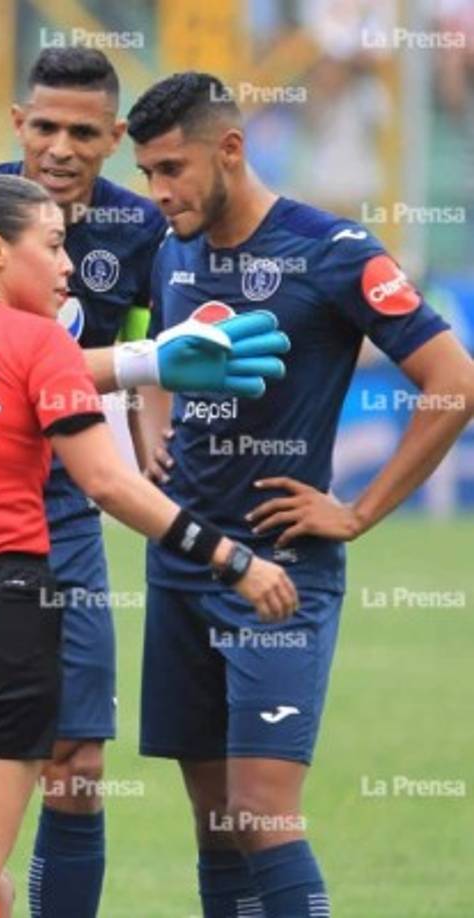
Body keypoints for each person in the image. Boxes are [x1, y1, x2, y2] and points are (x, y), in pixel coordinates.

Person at [0, 174, 300, 918]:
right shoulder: (40, 345)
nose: (69, 267)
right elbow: (106, 483)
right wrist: (229, 556)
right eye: (55, 244)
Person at [0, 48, 272, 917]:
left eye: (84, 133)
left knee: (78, 768)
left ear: (113, 140)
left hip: (62, 504)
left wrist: (147, 409)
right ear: (18, 120)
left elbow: (143, 322)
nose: (61, 147)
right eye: (45, 126)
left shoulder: (142, 229)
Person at [127, 72, 474, 918]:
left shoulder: (334, 252)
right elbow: (155, 341)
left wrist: (355, 511)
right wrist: (148, 411)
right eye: (147, 173)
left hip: (279, 573)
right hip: (179, 561)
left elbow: (452, 380)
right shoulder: (173, 242)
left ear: (231, 151)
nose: (159, 191)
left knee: (261, 811)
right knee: (215, 824)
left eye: (173, 168)